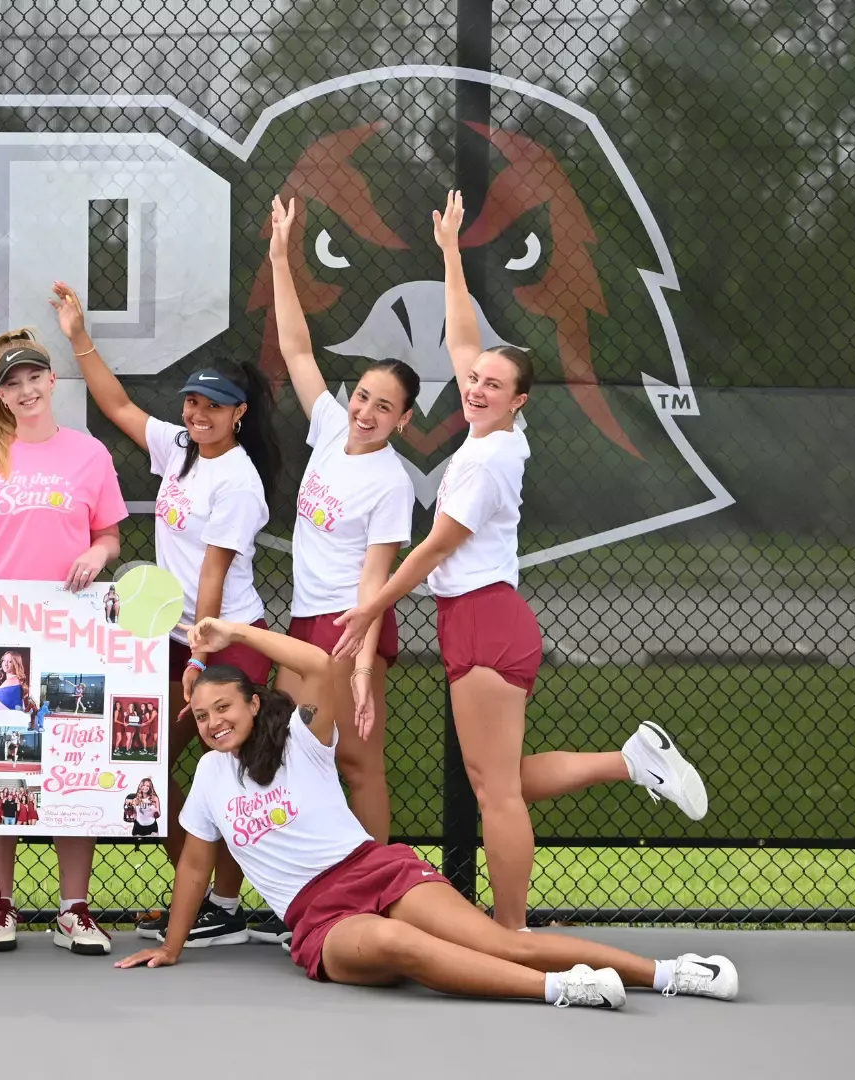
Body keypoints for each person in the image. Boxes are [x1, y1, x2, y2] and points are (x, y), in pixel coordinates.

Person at [332, 192, 710, 931]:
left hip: (484, 621)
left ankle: (508, 934)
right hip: (479, 620)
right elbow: (465, 340)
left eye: (491, 386)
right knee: (496, 780)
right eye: (474, 381)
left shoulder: (485, 464)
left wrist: (370, 607)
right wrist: (447, 252)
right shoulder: (491, 431)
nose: (474, 386)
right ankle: (632, 762)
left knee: (496, 794)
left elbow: (436, 546)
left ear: (519, 403)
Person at [117, 618, 738, 1009]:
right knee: (399, 945)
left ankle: (669, 973)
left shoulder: (303, 738)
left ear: (254, 703)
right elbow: (195, 869)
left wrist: (236, 633)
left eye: (224, 707)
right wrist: (172, 947)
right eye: (201, 716)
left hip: (374, 868)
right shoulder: (206, 777)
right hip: (318, 918)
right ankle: (564, 989)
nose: (213, 723)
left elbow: (322, 666)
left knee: (500, 941)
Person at [57, 281, 281, 947]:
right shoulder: (180, 449)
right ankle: (208, 890)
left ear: (239, 413)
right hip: (174, 641)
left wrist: (204, 667)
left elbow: (212, 576)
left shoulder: (239, 479)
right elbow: (119, 404)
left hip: (227, 643)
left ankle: (224, 901)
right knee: (141, 772)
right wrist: (78, 337)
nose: (197, 413)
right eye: (191, 402)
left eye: (212, 405)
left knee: (236, 772)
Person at [253, 196, 420, 944]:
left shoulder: (391, 482)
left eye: (385, 407)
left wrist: (355, 666)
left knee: (357, 759)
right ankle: (308, 886)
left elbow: (377, 578)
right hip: (306, 620)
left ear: (404, 420)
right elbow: (296, 349)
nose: (366, 411)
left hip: (349, 625)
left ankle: (384, 892)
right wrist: (282, 258)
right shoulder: (327, 430)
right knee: (290, 752)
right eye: (363, 396)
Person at [0, 328, 126, 955]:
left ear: (52, 382)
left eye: (32, 379)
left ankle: (73, 908)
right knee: (5, 765)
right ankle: (1, 904)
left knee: (75, 762)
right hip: (2, 636)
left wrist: (97, 556)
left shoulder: (89, 454)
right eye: (10, 383)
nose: (24, 391)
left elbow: (109, 538)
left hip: (73, 632)